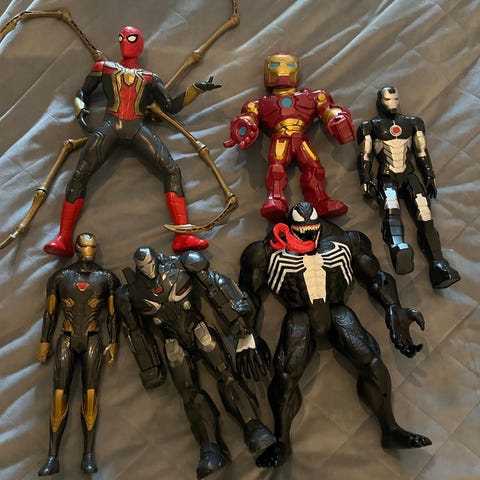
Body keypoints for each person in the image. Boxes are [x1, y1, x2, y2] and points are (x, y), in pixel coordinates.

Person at [238, 201, 432, 468]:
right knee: (284, 375)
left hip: (337, 308)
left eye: (312, 229)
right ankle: (282, 440)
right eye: (301, 231)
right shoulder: (265, 251)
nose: (307, 235)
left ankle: (391, 429)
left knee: (372, 361)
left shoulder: (348, 241)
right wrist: (246, 334)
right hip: (299, 314)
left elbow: (376, 277)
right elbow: (245, 295)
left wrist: (393, 307)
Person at [44, 26, 220, 257]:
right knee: (80, 173)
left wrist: (196, 89)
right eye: (122, 37)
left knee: (172, 170)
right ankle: (63, 238)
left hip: (135, 126)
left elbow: (169, 107)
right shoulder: (104, 68)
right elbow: (82, 92)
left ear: (140, 43)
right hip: (112, 124)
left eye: (132, 38)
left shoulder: (150, 78)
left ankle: (182, 236)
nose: (126, 42)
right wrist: (80, 109)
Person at [115, 246, 274, 479]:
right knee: (189, 393)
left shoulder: (184, 263)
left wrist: (237, 318)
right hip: (171, 340)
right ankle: (210, 447)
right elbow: (136, 332)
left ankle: (253, 425)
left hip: (198, 328)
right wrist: (149, 366)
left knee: (226, 373)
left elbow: (215, 286)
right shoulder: (129, 292)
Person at [224, 51, 354, 222]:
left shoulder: (312, 96)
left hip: (301, 138)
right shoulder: (259, 104)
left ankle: (320, 200)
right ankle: (276, 199)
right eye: (275, 65)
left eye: (289, 65)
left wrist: (337, 118)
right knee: (276, 168)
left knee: (314, 168)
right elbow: (249, 117)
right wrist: (244, 126)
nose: (282, 70)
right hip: (280, 138)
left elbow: (327, 109)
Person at [357, 85, 460, 287]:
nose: (392, 103)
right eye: (387, 99)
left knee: (425, 214)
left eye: (394, 99)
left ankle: (439, 264)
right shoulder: (369, 126)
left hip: (409, 175)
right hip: (387, 175)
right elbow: (365, 155)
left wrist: (429, 175)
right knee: (391, 210)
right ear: (380, 101)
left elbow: (422, 152)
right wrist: (365, 180)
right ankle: (398, 247)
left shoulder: (413, 122)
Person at [37, 233, 120, 476]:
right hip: (67, 337)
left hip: (93, 337)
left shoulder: (107, 278)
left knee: (91, 395)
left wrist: (114, 341)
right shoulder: (60, 277)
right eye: (85, 246)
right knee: (59, 395)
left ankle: (88, 455)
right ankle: (52, 456)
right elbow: (50, 313)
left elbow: (114, 314)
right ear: (77, 248)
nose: (89, 250)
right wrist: (45, 340)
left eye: (93, 246)